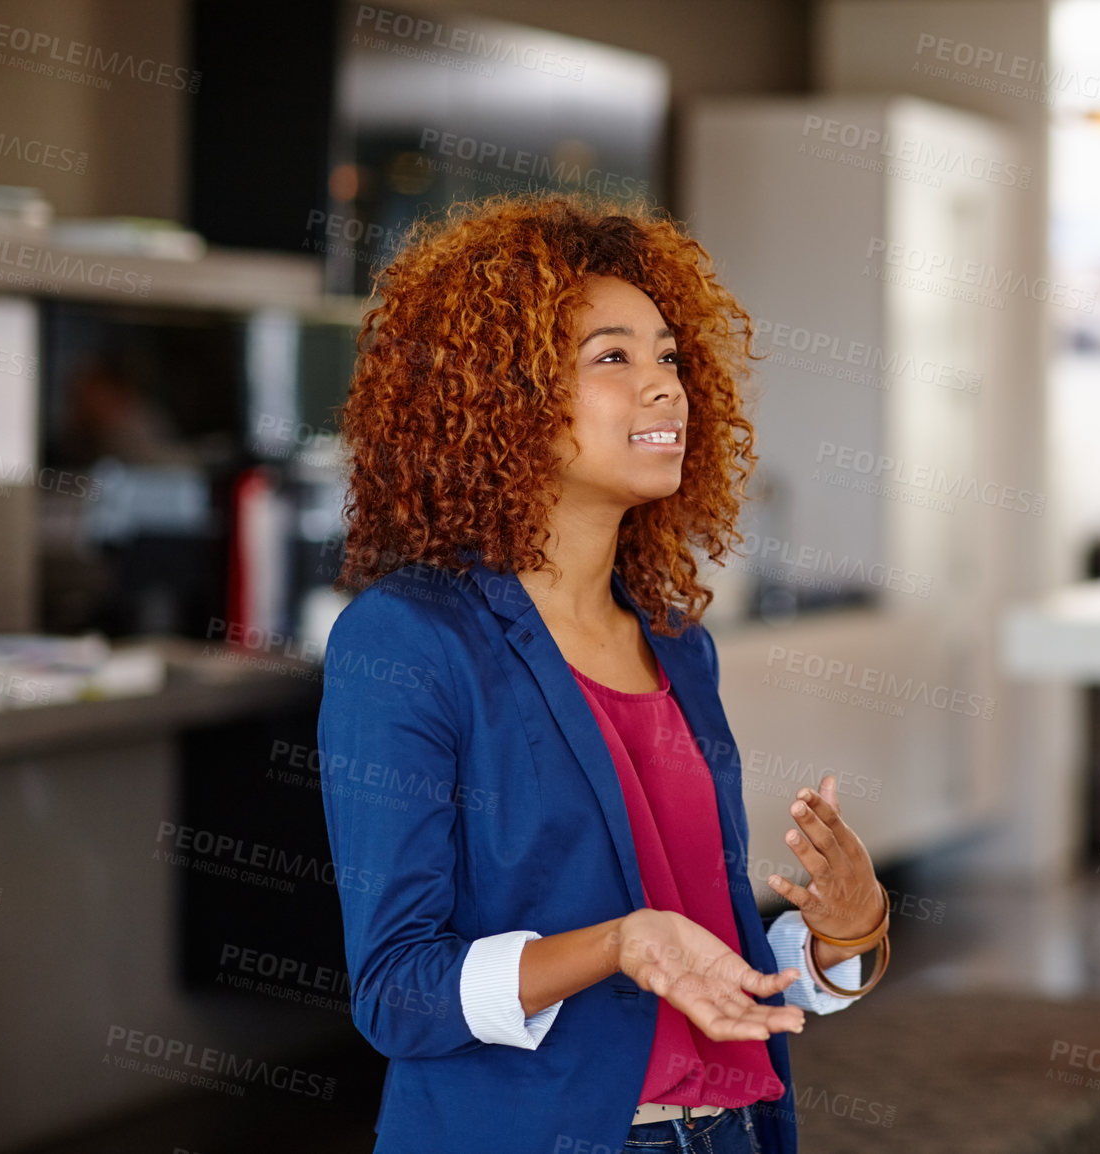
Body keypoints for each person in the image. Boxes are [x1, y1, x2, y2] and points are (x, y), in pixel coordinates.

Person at [319, 195, 891, 1154]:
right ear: (504, 394)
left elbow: (713, 967)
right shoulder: (408, 641)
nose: (665, 387)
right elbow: (397, 992)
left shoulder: (676, 644)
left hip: (730, 1133)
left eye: (667, 356)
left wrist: (849, 931)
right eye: (612, 358)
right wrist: (619, 943)